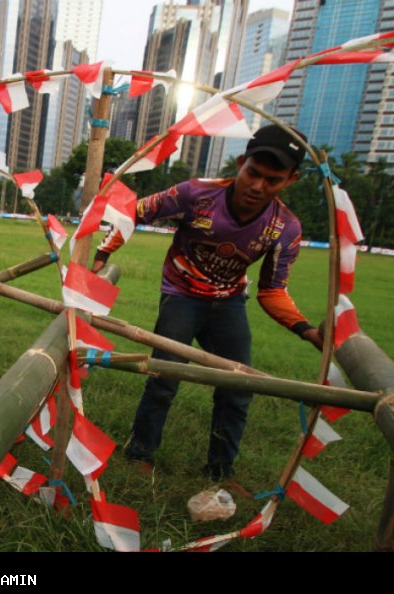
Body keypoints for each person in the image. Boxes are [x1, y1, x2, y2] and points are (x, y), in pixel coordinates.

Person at [91, 124, 322, 482]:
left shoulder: (285, 228)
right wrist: (102, 255)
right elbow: (135, 211)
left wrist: (307, 331)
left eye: (272, 180)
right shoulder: (196, 193)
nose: (258, 186)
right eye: (253, 173)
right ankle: (140, 453)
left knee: (238, 386)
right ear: (241, 163)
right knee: (164, 377)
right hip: (181, 296)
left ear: (290, 180)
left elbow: (272, 291)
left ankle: (220, 470)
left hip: (230, 302)